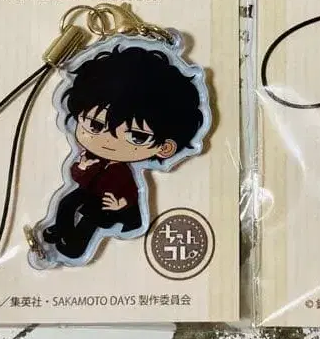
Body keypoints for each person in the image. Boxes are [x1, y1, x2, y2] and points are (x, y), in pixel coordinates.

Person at [39, 44, 205, 260]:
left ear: (165, 148)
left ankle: (74, 248)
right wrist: (83, 167)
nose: (108, 141)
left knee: (92, 218)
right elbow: (77, 176)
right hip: (88, 192)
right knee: (66, 202)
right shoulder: (91, 157)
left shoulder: (124, 173)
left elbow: (132, 193)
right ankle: (61, 229)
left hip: (110, 204)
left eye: (137, 136)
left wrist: (122, 204)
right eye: (95, 125)